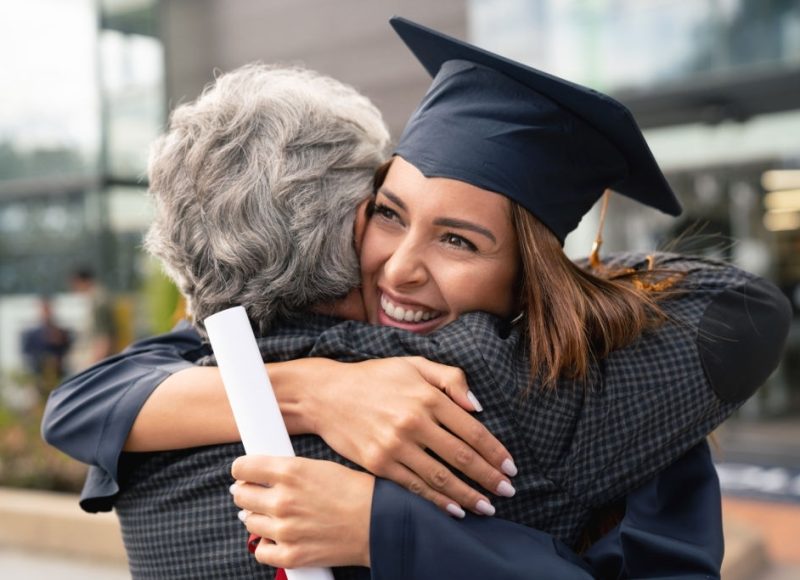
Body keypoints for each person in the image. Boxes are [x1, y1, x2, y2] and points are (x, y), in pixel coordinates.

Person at [42, 25, 790, 580]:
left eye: (459, 242)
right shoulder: (286, 353)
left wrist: (384, 526)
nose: (401, 269)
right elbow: (86, 400)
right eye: (388, 215)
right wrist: (316, 391)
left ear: (533, 272)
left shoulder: (604, 387)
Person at [21, 296, 72, 395]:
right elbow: (27, 355)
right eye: (44, 309)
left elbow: (68, 351)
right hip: (39, 377)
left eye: (48, 309)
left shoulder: (61, 333)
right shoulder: (33, 334)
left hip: (59, 377)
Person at [69, 267, 116, 368]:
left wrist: (94, 365)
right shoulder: (96, 298)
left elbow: (104, 337)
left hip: (95, 359)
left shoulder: (98, 301)